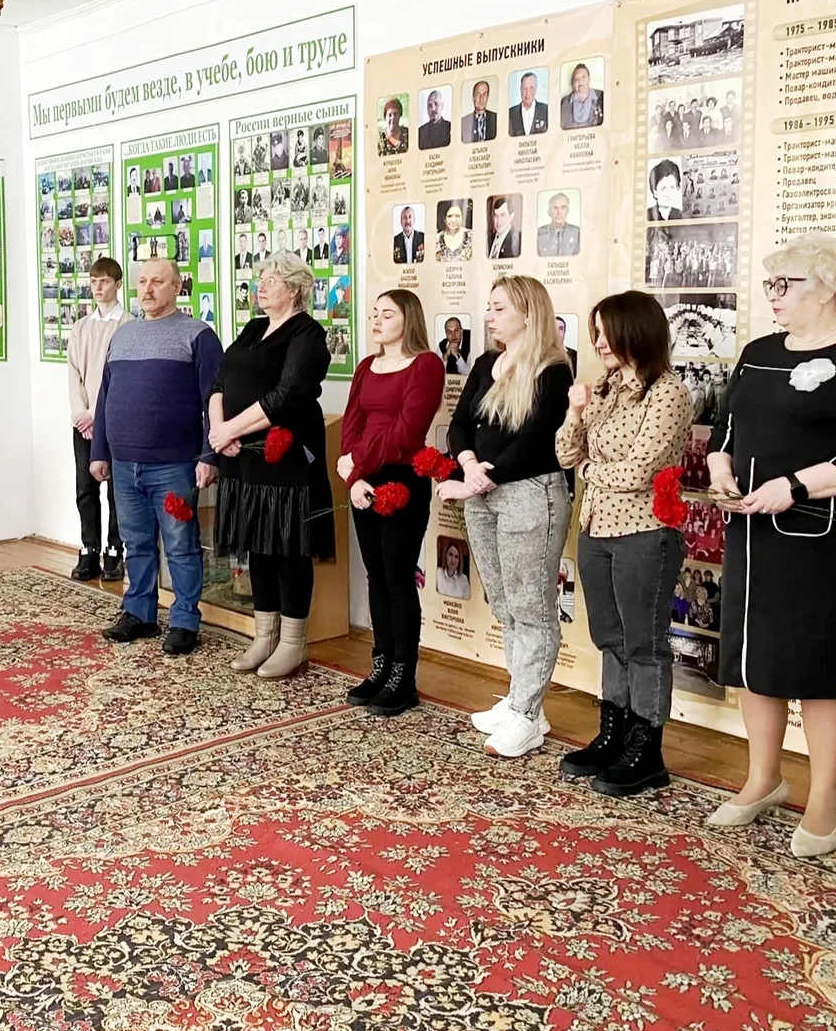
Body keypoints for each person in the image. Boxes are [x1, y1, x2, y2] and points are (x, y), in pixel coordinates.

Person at [704, 233, 836, 857]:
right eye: (771, 284)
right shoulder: (758, 352)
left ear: (830, 288)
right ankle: (764, 779)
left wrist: (797, 485)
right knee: (754, 661)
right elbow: (726, 427)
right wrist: (720, 466)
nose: (774, 296)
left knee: (818, 670)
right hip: (750, 532)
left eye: (787, 285)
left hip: (824, 542)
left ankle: (826, 798)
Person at [555, 291, 692, 797]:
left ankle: (646, 748)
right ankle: (613, 732)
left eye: (606, 332)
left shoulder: (668, 393)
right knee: (609, 638)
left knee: (644, 644)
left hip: (645, 533)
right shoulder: (606, 388)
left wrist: (590, 469)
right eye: (595, 333)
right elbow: (565, 454)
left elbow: (638, 472)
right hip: (596, 529)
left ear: (635, 331)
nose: (598, 342)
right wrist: (575, 412)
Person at [440, 275, 573, 758]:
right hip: (483, 493)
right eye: (489, 307)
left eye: (499, 308)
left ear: (528, 313)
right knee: (503, 603)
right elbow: (459, 423)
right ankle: (523, 701)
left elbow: (536, 440)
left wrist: (477, 480)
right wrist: (469, 465)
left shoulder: (554, 369)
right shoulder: (485, 362)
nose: (489, 316)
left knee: (531, 606)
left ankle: (526, 713)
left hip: (530, 494)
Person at [209, 252, 334, 679]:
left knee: (287, 549)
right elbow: (220, 382)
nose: (260, 286)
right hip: (242, 457)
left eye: (271, 280)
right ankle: (264, 637)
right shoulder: (253, 327)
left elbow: (286, 395)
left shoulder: (308, 334)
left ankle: (293, 643)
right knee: (257, 547)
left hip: (286, 459)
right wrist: (219, 429)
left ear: (295, 289)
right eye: (259, 279)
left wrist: (230, 430)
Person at [91, 259, 222, 657]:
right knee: (136, 543)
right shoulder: (122, 335)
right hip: (124, 464)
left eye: (157, 282)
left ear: (177, 287)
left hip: (175, 464)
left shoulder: (198, 335)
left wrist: (210, 455)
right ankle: (140, 613)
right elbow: (104, 397)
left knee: (181, 545)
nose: (147, 289)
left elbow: (215, 399)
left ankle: (184, 621)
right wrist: (99, 451)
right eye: (142, 281)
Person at [338, 289, 445, 712]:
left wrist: (356, 463)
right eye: (374, 313)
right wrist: (353, 476)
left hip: (401, 477)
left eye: (387, 314)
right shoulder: (366, 366)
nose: (376, 320)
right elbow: (352, 423)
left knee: (398, 577)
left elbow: (406, 430)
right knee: (376, 576)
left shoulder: (426, 365)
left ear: (408, 320)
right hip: (363, 478)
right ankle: (380, 665)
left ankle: (404, 676)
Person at [67, 256, 130, 583]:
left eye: (104, 281)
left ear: (117, 284)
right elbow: (74, 374)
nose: (98, 287)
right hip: (84, 423)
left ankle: (115, 550)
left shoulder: (128, 325)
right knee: (85, 488)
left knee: (117, 490)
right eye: (93, 281)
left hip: (113, 420)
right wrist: (82, 414)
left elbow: (119, 376)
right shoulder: (81, 327)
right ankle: (89, 548)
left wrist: (97, 414)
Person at [560, 62, 604, 129]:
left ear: (589, 79)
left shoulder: (602, 97)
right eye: (576, 78)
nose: (580, 81)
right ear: (572, 83)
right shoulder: (563, 103)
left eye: (583, 77)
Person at [537, 192, 580, 257]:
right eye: (555, 208)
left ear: (567, 211)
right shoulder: (538, 233)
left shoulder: (578, 233)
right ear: (549, 212)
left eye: (563, 207)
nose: (559, 212)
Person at [508, 72, 549, 136]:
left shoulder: (546, 110)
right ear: (520, 89)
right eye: (524, 89)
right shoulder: (510, 113)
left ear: (536, 88)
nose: (528, 93)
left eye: (531, 88)